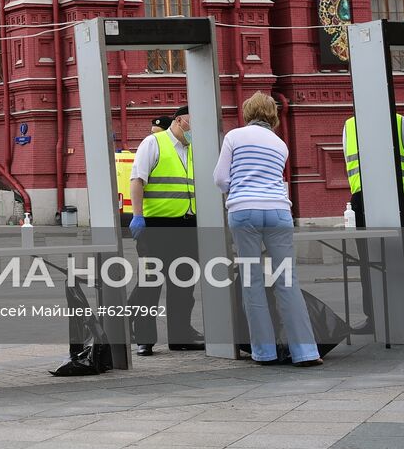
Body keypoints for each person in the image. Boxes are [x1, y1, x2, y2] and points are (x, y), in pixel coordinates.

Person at [215, 92, 322, 366]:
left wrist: (237, 190)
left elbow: (220, 178)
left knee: (252, 281)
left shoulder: (234, 137)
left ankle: (265, 352)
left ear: (247, 113)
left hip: (244, 211)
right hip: (278, 211)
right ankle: (306, 352)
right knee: (287, 280)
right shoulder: (280, 144)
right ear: (273, 115)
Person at [128, 104, 204, 355]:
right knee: (150, 284)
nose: (195, 131)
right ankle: (144, 339)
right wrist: (138, 216)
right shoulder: (154, 143)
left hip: (187, 225)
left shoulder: (193, 149)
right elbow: (137, 180)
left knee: (183, 284)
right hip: (156, 226)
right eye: (193, 124)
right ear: (180, 121)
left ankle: (180, 335)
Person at [343, 110, 404, 335]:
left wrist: (400, 191)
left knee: (391, 259)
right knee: (374, 261)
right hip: (374, 198)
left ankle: (402, 318)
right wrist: (402, 190)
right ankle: (382, 317)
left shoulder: (396, 121)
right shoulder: (398, 122)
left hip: (378, 198)